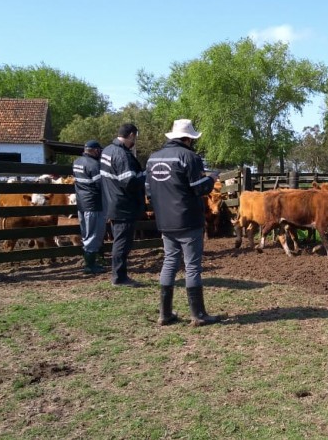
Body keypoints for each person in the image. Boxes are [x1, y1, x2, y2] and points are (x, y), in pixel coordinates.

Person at [146, 119, 220, 326]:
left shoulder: (153, 158)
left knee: (169, 262)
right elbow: (199, 189)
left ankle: (165, 313)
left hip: (165, 221)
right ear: (188, 138)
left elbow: (149, 192)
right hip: (188, 220)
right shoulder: (189, 157)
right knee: (192, 266)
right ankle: (198, 314)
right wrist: (212, 179)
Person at [100, 123, 146, 287]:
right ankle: (119, 277)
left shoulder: (107, 151)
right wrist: (145, 175)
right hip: (123, 205)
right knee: (122, 242)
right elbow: (129, 182)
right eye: (136, 137)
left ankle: (119, 275)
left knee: (119, 240)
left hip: (112, 202)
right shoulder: (122, 155)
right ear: (132, 135)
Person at [72, 139, 106, 273]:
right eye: (99, 150)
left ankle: (89, 262)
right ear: (94, 150)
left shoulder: (77, 162)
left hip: (82, 203)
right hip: (93, 204)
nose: (100, 153)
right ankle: (90, 265)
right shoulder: (94, 165)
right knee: (94, 234)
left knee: (86, 233)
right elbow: (100, 186)